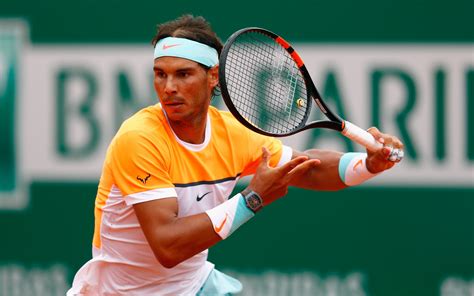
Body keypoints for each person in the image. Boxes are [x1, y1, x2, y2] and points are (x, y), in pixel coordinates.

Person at [67, 14, 403, 295]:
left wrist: (367, 165)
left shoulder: (232, 132)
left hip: (193, 287)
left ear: (213, 76)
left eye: (183, 74)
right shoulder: (139, 138)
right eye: (160, 74)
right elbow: (167, 247)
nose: (169, 87)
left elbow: (308, 169)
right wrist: (251, 199)